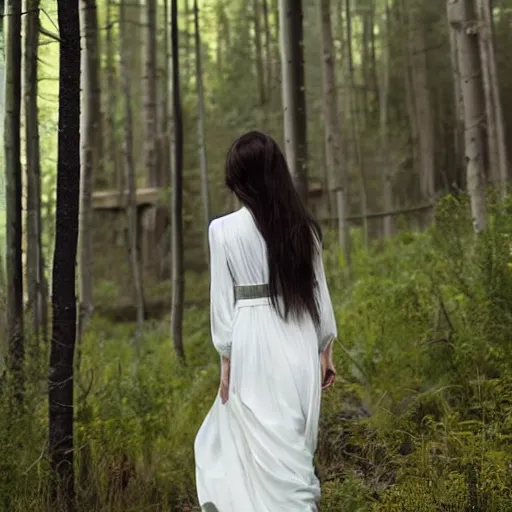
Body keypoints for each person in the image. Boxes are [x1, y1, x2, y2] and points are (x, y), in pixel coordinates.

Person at [194, 131, 337, 511]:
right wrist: (326, 349)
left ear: (241, 180)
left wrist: (226, 359)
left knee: (256, 446)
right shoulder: (303, 230)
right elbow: (319, 293)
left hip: (251, 341)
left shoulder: (222, 231)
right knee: (293, 445)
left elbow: (222, 302)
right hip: (299, 338)